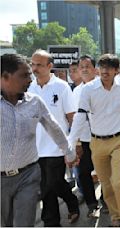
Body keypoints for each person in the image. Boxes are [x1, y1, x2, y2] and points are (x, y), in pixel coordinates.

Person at [68, 54, 120, 227]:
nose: (105, 71)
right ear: (98, 69)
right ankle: (115, 216)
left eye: (109, 68)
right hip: (97, 143)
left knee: (118, 181)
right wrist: (71, 145)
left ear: (116, 71)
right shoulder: (89, 89)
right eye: (102, 67)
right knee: (106, 184)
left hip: (119, 140)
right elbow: (80, 117)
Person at [1, 53, 76, 227]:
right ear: (5, 76)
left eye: (31, 72)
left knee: (24, 223)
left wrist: (69, 152)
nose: (30, 78)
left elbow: (54, 128)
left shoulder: (35, 102)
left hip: (28, 175)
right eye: (24, 75)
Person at [29, 49, 80, 226]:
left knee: (49, 187)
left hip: (57, 147)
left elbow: (72, 117)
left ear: (49, 66)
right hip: (34, 149)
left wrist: (73, 146)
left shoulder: (62, 87)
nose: (34, 68)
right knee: (50, 186)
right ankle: (71, 201)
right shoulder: (28, 87)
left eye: (39, 65)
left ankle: (51, 223)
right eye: (32, 64)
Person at [73, 54, 101, 218]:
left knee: (106, 173)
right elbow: (74, 117)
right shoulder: (76, 91)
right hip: (84, 140)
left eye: (87, 66)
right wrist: (76, 142)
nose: (84, 69)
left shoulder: (102, 87)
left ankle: (107, 200)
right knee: (84, 173)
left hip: (103, 138)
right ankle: (92, 204)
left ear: (94, 69)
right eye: (81, 66)